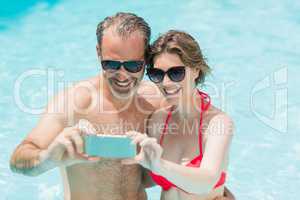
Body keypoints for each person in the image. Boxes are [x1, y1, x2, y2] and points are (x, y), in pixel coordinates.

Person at [9, 12, 162, 200]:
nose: (122, 75)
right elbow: (18, 159)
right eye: (111, 64)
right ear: (98, 53)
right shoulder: (74, 103)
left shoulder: (156, 102)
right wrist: (48, 159)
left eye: (133, 65)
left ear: (146, 58)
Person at [123, 30, 235, 200]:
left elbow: (206, 181)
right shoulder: (158, 120)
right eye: (157, 74)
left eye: (176, 73)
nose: (166, 83)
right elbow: (144, 179)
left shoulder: (218, 123)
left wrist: (160, 165)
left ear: (196, 70)